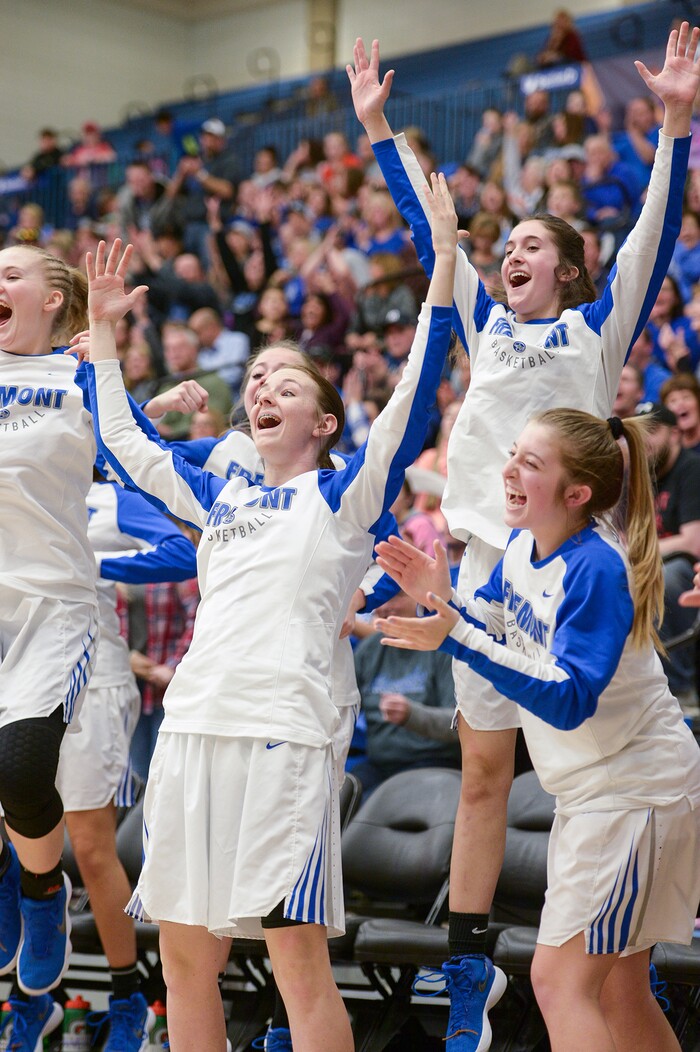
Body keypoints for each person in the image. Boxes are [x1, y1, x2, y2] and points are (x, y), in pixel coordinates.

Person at [348, 22, 699, 1050]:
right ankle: (469, 964)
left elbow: (653, 227)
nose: (512, 252)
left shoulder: (596, 328)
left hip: (572, 557)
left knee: (594, 730)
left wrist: (675, 119)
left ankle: (625, 950)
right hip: (487, 563)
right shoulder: (481, 320)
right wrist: (379, 132)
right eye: (507, 245)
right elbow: (435, 238)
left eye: (534, 243)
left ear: (571, 271)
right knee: (484, 771)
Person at [80, 170, 457, 1052]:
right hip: (193, 728)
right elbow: (127, 444)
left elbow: (413, 393)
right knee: (183, 959)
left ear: (326, 423)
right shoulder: (218, 498)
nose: (264, 394)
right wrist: (101, 333)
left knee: (294, 958)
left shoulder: (348, 499)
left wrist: (441, 268)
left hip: (286, 732)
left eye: (288, 388)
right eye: (258, 387)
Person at [375, 408, 700, 1052]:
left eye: (530, 462)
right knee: (616, 989)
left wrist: (459, 635)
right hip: (598, 793)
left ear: (576, 494)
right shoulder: (524, 548)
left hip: (634, 791)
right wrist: (444, 603)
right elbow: (490, 629)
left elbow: (570, 698)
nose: (508, 471)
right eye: (513, 453)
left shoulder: (597, 569)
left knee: (557, 981)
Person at [49, 479, 197, 1052]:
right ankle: (36, 1000)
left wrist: (92, 563)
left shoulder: (111, 496)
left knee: (89, 846)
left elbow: (181, 553)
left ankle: (128, 996)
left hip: (94, 675)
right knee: (19, 847)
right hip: (15, 674)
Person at [0, 246, 98, 1039]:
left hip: (53, 605)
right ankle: (11, 873)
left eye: (11, 274)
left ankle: (41, 892)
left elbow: (144, 451)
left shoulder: (85, 375)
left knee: (23, 768)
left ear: (55, 296)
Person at [639, 400, 700, 711]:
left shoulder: (691, 468)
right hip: (656, 563)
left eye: (653, 430)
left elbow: (693, 543)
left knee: (664, 576)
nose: (644, 439)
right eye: (639, 431)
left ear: (675, 433)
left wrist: (639, 553)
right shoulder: (641, 476)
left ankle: (681, 688)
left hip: (689, 572)